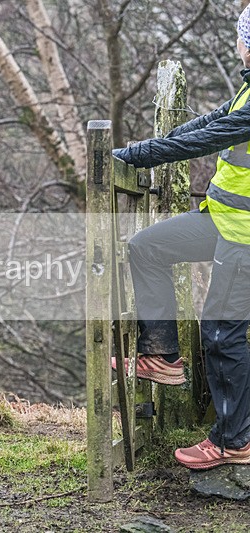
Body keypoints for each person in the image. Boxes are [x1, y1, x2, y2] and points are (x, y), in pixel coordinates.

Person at [111, 5, 250, 470]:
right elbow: (201, 126)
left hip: (246, 238)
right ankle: (162, 356)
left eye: (240, 36)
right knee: (145, 248)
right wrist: (133, 152)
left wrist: (132, 155)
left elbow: (197, 144)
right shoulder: (247, 92)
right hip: (222, 222)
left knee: (221, 334)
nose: (236, 44)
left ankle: (234, 441)